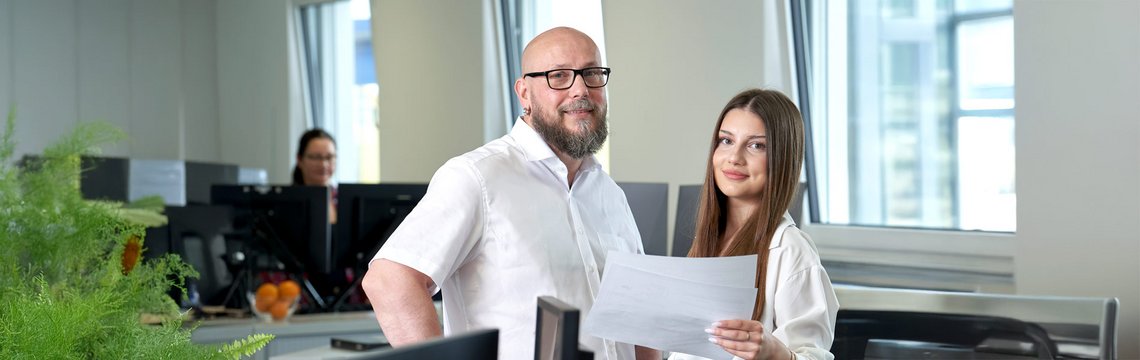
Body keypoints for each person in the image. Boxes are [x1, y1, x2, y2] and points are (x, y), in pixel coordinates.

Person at [362, 27, 655, 360]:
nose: (580, 90)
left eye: (591, 73)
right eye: (558, 76)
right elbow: (389, 281)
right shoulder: (477, 177)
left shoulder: (610, 195)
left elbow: (638, 312)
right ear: (524, 93)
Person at [674, 89, 839, 360]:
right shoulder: (709, 240)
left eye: (756, 145)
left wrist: (775, 353)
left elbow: (814, 354)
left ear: (781, 157)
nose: (734, 157)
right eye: (726, 140)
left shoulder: (789, 248)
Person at [292, 128, 337, 223]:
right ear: (299, 160)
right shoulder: (287, 201)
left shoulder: (343, 199)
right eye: (316, 157)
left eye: (329, 157)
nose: (323, 164)